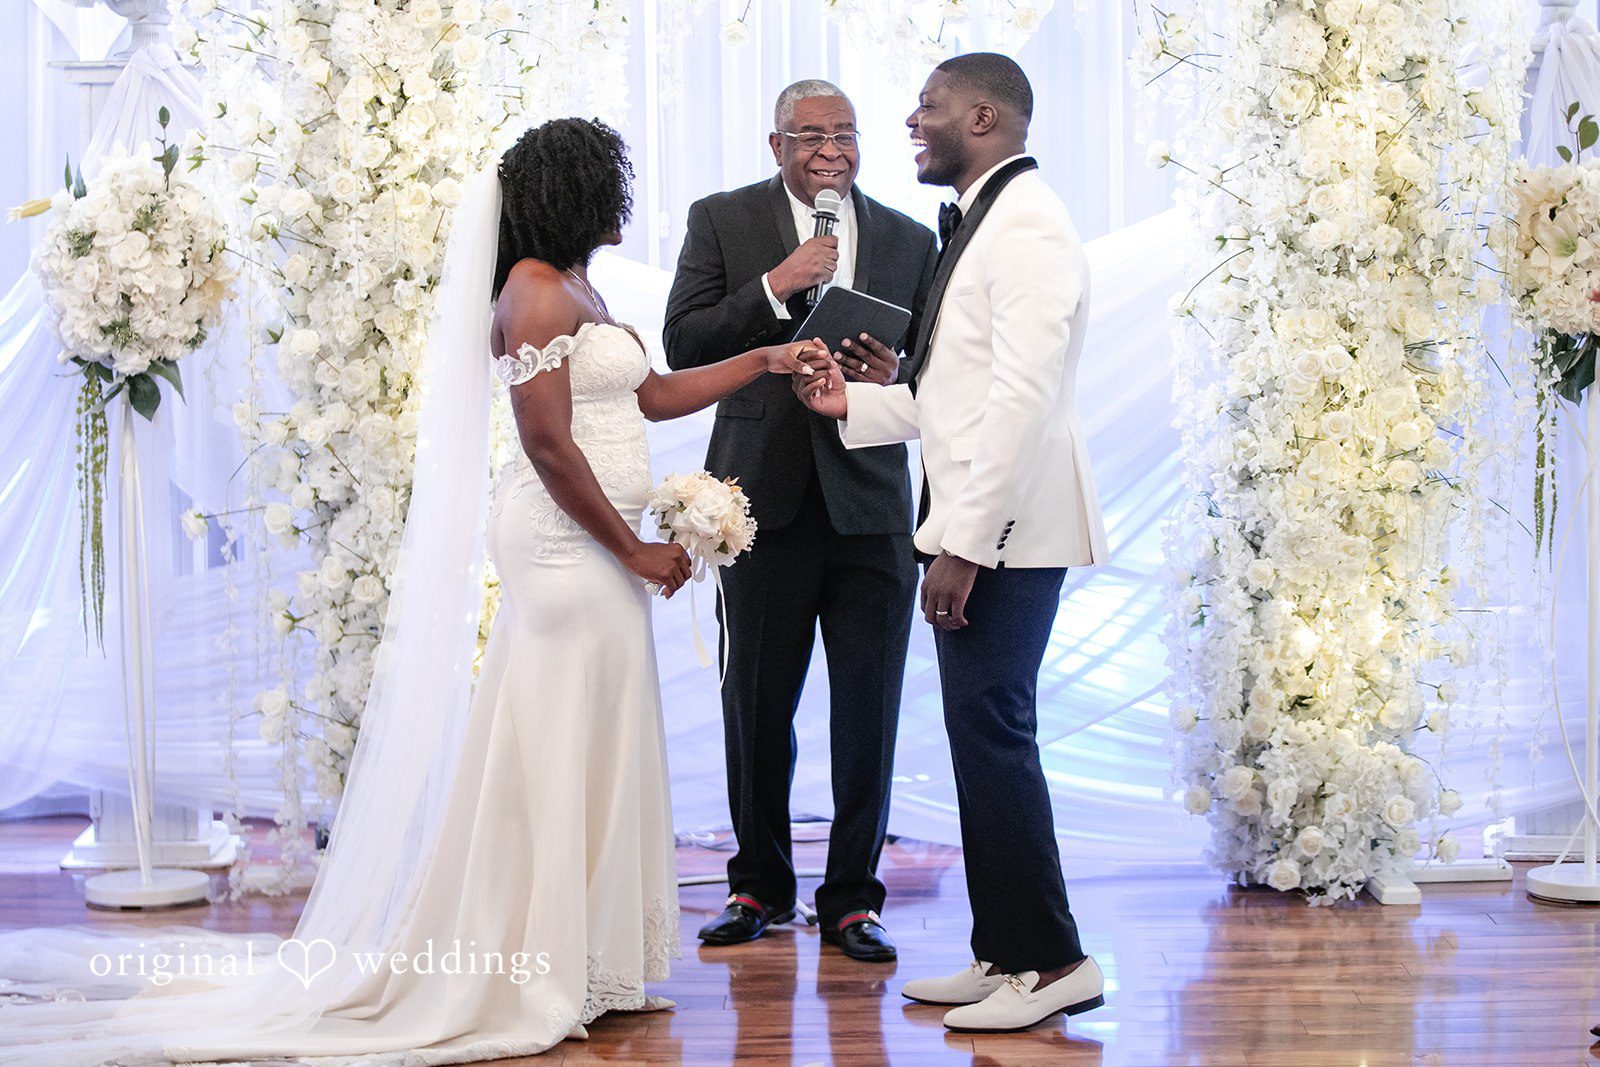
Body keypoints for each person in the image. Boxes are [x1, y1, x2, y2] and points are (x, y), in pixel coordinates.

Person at [0, 118, 822, 1064]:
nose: (623, 199)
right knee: (554, 743)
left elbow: (649, 395)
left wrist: (760, 361)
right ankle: (536, 967)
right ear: (575, 192)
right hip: (565, 546)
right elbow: (549, 444)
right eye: (609, 182)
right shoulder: (533, 290)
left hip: (598, 546)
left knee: (600, 734)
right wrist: (635, 551)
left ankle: (595, 959)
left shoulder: (579, 286)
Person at [796, 54, 1111, 1032]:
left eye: (926, 106)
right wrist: (855, 402)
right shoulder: (987, 219)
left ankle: (1053, 959)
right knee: (981, 738)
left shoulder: (1027, 225)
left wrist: (965, 546)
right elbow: (960, 396)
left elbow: (1020, 402)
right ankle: (1004, 948)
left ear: (980, 115)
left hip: (1006, 530)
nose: (910, 119)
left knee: (996, 733)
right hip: (985, 520)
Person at [664, 79, 938, 963]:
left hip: (870, 509)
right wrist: (773, 287)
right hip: (760, 504)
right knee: (756, 706)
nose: (832, 150)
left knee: (870, 710)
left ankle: (854, 899)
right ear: (774, 143)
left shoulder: (907, 234)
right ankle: (758, 887)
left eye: (846, 134)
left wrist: (892, 369)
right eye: (812, 134)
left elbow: (933, 367)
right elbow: (682, 345)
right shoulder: (722, 219)